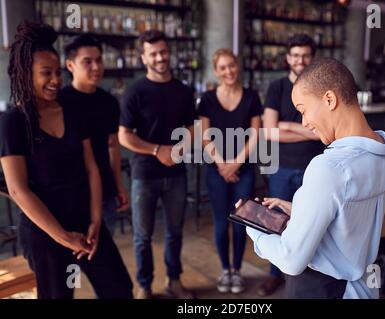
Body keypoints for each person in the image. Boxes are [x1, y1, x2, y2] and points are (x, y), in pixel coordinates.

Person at [241, 58, 385, 299]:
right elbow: (353, 218)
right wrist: (303, 210)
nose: (304, 123)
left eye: (303, 110)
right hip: (365, 288)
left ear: (329, 99)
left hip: (324, 290)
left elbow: (290, 258)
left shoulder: (329, 168)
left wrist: (254, 227)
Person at [0, 21, 133, 299]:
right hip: (44, 231)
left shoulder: (71, 109)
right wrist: (62, 236)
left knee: (119, 289)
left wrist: (96, 221)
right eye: (45, 73)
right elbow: (17, 189)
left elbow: (91, 168)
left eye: (56, 72)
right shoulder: (13, 122)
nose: (55, 80)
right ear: (25, 74)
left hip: (86, 222)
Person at [118, 29, 195, 299]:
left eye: (163, 52)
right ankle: (144, 286)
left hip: (176, 173)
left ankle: (174, 281)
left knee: (174, 232)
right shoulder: (135, 91)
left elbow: (192, 128)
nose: (160, 57)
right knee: (142, 236)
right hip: (144, 174)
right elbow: (124, 135)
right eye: (153, 54)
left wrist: (179, 149)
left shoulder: (183, 91)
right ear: (144, 57)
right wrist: (157, 150)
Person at [258, 34, 324, 296]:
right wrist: (307, 130)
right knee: (277, 222)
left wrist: (287, 125)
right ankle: (275, 275)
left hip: (314, 167)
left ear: (312, 58)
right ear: (287, 58)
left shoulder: (320, 90)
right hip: (281, 167)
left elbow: (323, 133)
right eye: (295, 55)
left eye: (306, 55)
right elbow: (270, 132)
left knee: (310, 221)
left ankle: (306, 275)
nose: (300, 60)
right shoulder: (276, 88)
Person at [198, 48, 262, 294]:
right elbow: (205, 136)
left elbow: (255, 133)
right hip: (216, 170)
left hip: (243, 169)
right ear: (216, 71)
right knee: (220, 222)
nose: (228, 71)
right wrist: (223, 165)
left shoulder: (251, 97)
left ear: (238, 66)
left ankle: (237, 271)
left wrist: (235, 163)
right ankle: (225, 270)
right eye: (223, 68)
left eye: (232, 66)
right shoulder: (207, 99)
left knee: (240, 222)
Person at [59, 35, 129, 237]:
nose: (96, 67)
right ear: (70, 65)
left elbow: (113, 146)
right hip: (71, 193)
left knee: (104, 255)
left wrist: (119, 185)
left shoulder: (109, 102)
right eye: (87, 62)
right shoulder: (59, 102)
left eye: (99, 60)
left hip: (105, 192)